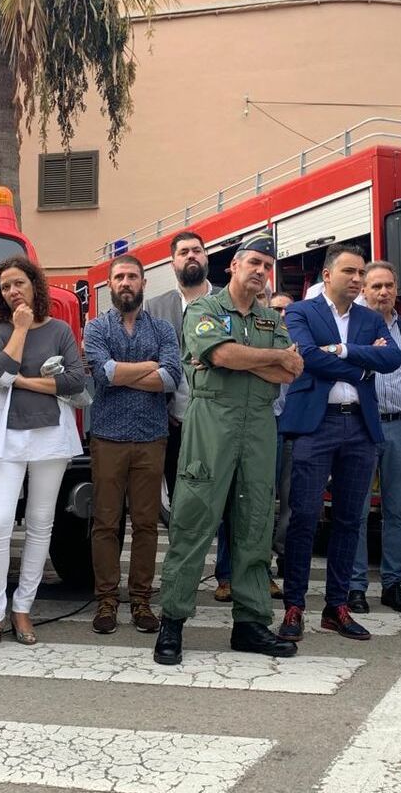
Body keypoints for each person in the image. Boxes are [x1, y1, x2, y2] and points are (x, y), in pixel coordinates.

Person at [153, 230, 303, 666]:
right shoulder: (203, 307)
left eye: (267, 267)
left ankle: (251, 625)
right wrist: (263, 358)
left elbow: (288, 373)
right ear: (233, 266)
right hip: (210, 424)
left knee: (255, 525)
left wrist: (246, 357)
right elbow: (217, 355)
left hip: (258, 428)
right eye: (253, 263)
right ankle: (173, 624)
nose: (260, 271)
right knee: (193, 521)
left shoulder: (271, 319)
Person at [278, 244, 401, 643]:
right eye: (349, 271)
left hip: (360, 429)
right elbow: (309, 357)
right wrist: (362, 367)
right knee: (304, 516)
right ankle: (294, 605)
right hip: (317, 426)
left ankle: (337, 607)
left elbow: (393, 359)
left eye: (361, 273)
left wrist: (347, 351)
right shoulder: (301, 311)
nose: (357, 279)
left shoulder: (369, 318)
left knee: (352, 519)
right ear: (327, 276)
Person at [0, 256, 85, 654]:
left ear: (35, 283)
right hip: (7, 438)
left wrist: (18, 381)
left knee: (40, 522)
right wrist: (18, 330)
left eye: (19, 283)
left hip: (52, 436)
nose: (13, 291)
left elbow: (74, 379)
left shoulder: (60, 329)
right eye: (5, 287)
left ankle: (23, 608)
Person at [84, 254, 181, 635]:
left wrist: (124, 373)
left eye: (133, 277)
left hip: (151, 437)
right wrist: (149, 366)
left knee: (145, 524)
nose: (126, 283)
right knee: (105, 522)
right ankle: (106, 599)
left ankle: (141, 600)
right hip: (107, 437)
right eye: (119, 277)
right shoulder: (96, 328)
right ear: (110, 284)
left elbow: (172, 377)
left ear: (143, 284)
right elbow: (103, 375)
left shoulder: (162, 329)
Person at [142, 232, 237, 601]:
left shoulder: (228, 301)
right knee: (182, 505)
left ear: (206, 258)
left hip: (220, 421)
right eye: (183, 252)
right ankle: (180, 578)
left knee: (229, 499)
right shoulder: (156, 307)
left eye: (197, 250)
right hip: (174, 422)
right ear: (173, 264)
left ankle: (227, 576)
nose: (191, 256)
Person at [346, 262, 401, 615]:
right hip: (361, 424)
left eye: (389, 285)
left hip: (400, 426)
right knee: (357, 511)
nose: (383, 292)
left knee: (395, 511)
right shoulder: (352, 327)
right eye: (375, 286)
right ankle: (356, 587)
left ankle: (393, 585)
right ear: (363, 290)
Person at [269, 291, 295, 582]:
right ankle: (258, 562)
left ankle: (284, 555)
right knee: (262, 498)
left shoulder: (302, 343)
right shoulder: (259, 340)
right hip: (266, 424)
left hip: (293, 428)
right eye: (277, 309)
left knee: (290, 498)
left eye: (289, 310)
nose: (283, 315)